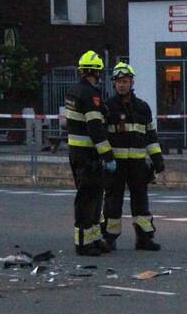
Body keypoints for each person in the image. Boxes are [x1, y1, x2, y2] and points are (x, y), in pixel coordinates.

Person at [101, 62, 165, 251]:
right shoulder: (107, 107)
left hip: (137, 164)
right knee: (113, 201)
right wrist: (105, 159)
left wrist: (157, 159)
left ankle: (144, 238)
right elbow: (101, 135)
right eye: (119, 82)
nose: (122, 85)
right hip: (116, 164)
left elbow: (151, 136)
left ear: (132, 83)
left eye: (125, 81)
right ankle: (109, 238)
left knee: (141, 201)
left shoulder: (143, 108)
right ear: (114, 83)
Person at [65, 50, 115, 256]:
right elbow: (96, 129)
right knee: (88, 199)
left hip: (78, 154)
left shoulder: (74, 91)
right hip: (88, 156)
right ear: (95, 73)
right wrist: (108, 156)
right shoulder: (90, 95)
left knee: (95, 196)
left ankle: (93, 239)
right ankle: (84, 243)